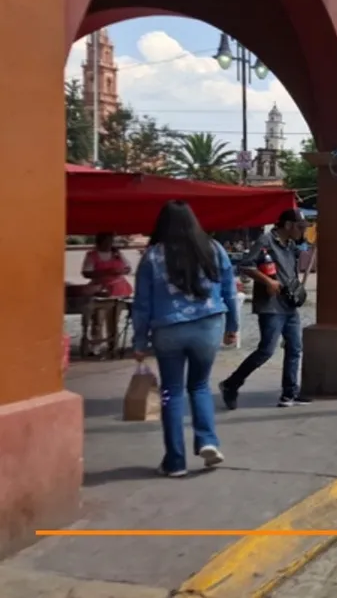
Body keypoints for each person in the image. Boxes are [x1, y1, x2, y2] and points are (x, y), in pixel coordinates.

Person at [131, 201, 238, 477]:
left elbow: (141, 304)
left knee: (172, 392)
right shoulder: (213, 249)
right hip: (208, 328)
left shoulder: (152, 256)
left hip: (168, 331)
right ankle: (208, 441)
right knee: (200, 386)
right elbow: (229, 291)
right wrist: (233, 326)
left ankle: (175, 461)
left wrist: (140, 342)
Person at [220, 209, 311, 409]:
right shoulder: (266, 241)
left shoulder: (290, 245)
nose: (302, 232)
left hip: (289, 304)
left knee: (295, 348)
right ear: (288, 225)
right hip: (271, 306)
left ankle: (289, 393)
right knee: (266, 350)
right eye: (300, 227)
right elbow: (246, 266)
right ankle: (231, 384)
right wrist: (268, 281)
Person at [81, 232, 134, 355]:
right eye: (106, 241)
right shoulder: (92, 255)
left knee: (114, 319)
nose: (109, 243)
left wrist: (121, 271)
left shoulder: (117, 254)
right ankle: (96, 344)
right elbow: (86, 272)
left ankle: (113, 345)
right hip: (100, 289)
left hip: (118, 289)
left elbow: (128, 268)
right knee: (98, 319)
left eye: (110, 241)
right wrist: (105, 272)